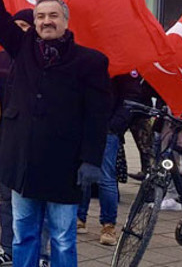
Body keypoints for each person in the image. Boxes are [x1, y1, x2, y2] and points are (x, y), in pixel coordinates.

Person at [0, 0, 112, 267]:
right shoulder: (22, 47)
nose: (46, 21)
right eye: (40, 16)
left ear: (65, 21)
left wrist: (91, 159)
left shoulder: (90, 62)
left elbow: (97, 116)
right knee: (24, 233)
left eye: (53, 16)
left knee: (63, 238)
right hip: (22, 162)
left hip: (64, 168)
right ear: (34, 22)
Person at [0, 9, 33, 267]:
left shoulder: (40, 59)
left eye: (26, 25)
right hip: (4, 140)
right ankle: (6, 247)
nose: (21, 29)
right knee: (6, 199)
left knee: (35, 201)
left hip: (33, 143)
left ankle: (40, 254)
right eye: (18, 25)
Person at [76, 73, 134, 247]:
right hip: (82, 124)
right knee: (81, 174)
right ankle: (79, 217)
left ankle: (108, 225)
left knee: (106, 178)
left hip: (107, 128)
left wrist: (115, 124)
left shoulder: (122, 65)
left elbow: (131, 96)